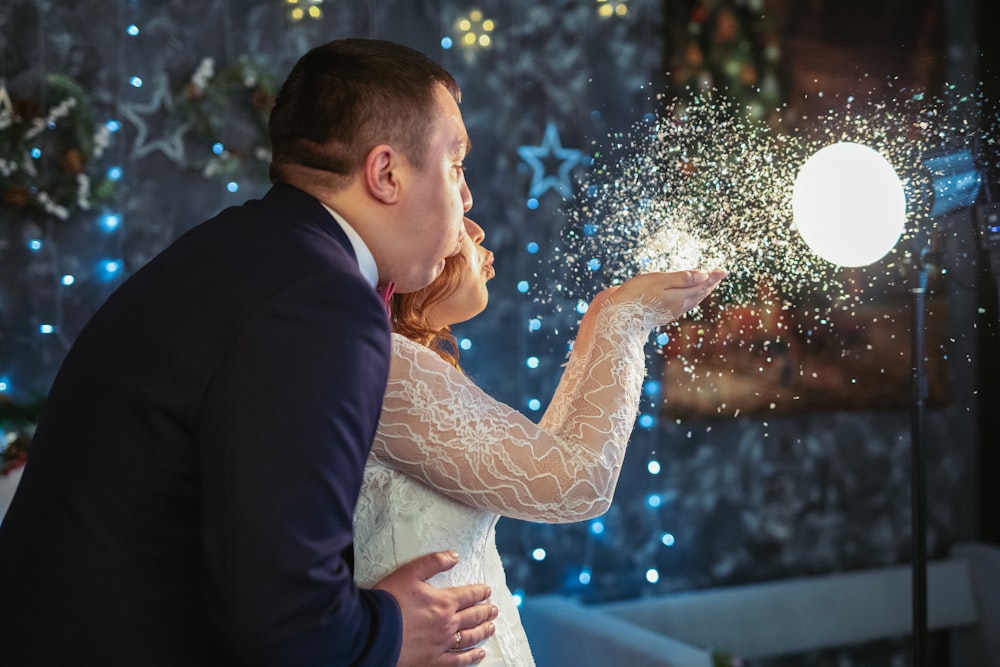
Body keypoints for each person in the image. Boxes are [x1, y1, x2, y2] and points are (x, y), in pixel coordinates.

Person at [0, 39, 497, 667]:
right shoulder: (319, 305)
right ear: (386, 173)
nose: (467, 196)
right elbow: (287, 626)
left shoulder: (250, 248)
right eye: (455, 164)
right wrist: (391, 631)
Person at [354, 216, 726, 665]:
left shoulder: (396, 361)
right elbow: (576, 487)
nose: (477, 229)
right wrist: (625, 321)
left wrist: (601, 317)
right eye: (454, 205)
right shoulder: (392, 364)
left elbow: (544, 460)